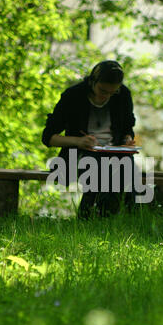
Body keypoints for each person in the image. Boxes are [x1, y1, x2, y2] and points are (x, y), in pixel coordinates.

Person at [42, 60, 137, 219]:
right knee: (97, 166)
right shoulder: (73, 95)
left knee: (126, 169)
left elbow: (128, 128)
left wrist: (127, 140)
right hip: (80, 153)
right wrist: (78, 141)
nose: (105, 96)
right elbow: (48, 137)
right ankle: (93, 217)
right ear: (93, 81)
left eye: (111, 93)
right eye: (102, 90)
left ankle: (114, 219)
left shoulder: (122, 95)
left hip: (115, 153)